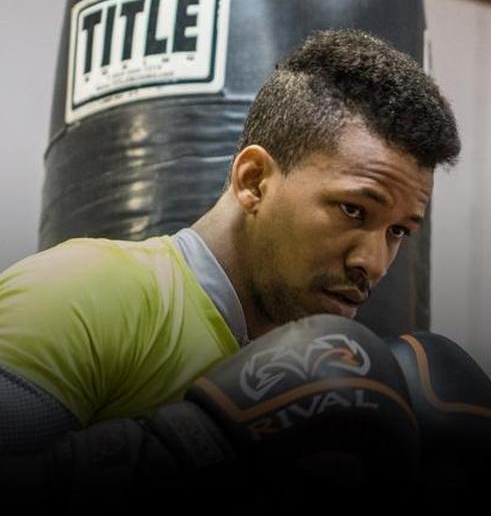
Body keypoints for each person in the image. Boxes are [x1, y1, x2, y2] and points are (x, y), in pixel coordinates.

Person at [0, 28, 461, 454]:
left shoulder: (347, 379)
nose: (374, 263)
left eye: (398, 231)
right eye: (353, 210)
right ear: (254, 180)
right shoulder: (83, 292)